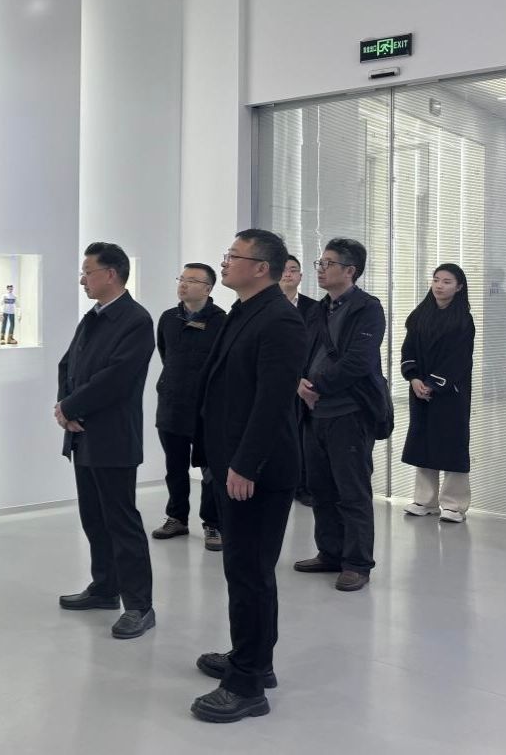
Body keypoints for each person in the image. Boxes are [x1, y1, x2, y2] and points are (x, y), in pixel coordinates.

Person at [189, 229, 306, 723]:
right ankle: (253, 658)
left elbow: (272, 402)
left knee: (250, 574)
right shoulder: (245, 310)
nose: (225, 262)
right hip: (233, 462)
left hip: (256, 471)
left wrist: (245, 464)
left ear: (261, 268)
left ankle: (247, 685)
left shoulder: (281, 320)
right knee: (243, 570)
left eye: (233, 256)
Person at [55, 242, 156, 639]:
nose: (83, 280)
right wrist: (66, 408)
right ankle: (104, 587)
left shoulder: (135, 320)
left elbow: (116, 378)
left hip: (113, 436)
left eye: (88, 272)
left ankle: (140, 606)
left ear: (111, 274)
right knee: (94, 518)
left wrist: (72, 406)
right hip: (83, 434)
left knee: (121, 522)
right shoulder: (94, 317)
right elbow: (68, 364)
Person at [293, 238, 389, 593]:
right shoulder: (319, 308)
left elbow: (358, 361)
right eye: (320, 262)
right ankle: (330, 552)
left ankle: (357, 563)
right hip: (314, 413)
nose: (320, 268)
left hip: (350, 413)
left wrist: (317, 385)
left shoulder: (367, 308)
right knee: (320, 488)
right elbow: (303, 352)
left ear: (350, 270)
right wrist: (300, 383)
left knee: (352, 491)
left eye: (328, 263)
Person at [151, 263, 227, 551]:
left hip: (208, 408)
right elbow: (165, 354)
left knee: (210, 469)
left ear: (207, 288)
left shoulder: (222, 321)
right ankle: (177, 517)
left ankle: (213, 523)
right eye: (181, 279)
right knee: (175, 467)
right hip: (172, 404)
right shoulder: (168, 318)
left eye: (192, 280)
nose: (183, 284)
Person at [400, 264, 476, 523]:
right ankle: (425, 500)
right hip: (420, 390)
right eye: (436, 280)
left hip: (451, 393)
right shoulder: (419, 315)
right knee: (423, 441)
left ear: (459, 287)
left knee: (452, 444)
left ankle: (454, 505)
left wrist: (434, 383)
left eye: (446, 281)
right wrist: (414, 378)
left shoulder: (463, 320)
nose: (439, 286)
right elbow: (408, 350)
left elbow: (459, 359)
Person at [280, 255, 319, 506]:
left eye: (294, 270)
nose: (288, 274)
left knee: (304, 436)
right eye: (284, 270)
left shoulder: (314, 308)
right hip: (275, 381)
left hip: (306, 381)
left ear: (301, 276)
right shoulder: (264, 306)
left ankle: (303, 486)